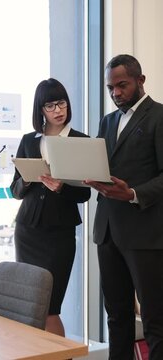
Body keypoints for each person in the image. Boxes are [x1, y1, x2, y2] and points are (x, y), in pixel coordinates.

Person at [85, 54, 163, 360]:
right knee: (116, 317)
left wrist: (132, 193)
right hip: (108, 232)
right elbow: (101, 167)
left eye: (122, 85)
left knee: (156, 321)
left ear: (140, 81)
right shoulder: (108, 121)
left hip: (145, 234)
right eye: (110, 88)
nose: (116, 93)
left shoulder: (159, 117)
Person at [10, 78, 91, 337]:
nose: (58, 110)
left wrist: (61, 188)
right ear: (40, 110)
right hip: (28, 231)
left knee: (50, 308)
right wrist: (27, 176)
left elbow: (85, 194)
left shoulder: (81, 141)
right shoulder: (29, 140)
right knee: (29, 307)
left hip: (59, 235)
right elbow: (14, 190)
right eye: (50, 105)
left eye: (62, 103)